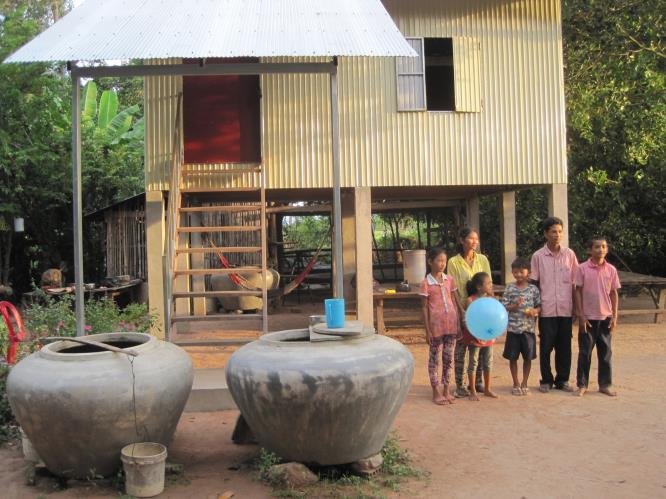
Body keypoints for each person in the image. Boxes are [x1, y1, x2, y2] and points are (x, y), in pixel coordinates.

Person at [530, 217, 579, 393]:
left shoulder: (570, 255)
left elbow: (575, 283)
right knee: (546, 346)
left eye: (559, 231)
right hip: (546, 309)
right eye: (553, 231)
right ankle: (546, 380)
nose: (557, 235)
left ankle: (563, 380)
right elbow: (534, 284)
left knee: (564, 347)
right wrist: (536, 307)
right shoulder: (538, 256)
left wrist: (577, 308)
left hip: (566, 309)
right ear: (545, 234)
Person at [447, 227, 492, 398]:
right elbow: (453, 289)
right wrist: (461, 311)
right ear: (462, 240)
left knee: (480, 346)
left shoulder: (482, 260)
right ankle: (460, 385)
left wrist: (489, 308)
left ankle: (478, 382)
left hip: (481, 310)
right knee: (462, 348)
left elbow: (489, 285)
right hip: (463, 307)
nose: (474, 242)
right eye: (471, 239)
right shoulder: (453, 262)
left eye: (476, 239)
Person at [573, 237, 620, 397]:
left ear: (607, 250)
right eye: (597, 247)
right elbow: (577, 291)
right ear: (589, 250)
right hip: (588, 318)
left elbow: (613, 293)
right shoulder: (582, 268)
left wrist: (614, 316)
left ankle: (604, 385)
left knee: (605, 353)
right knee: (585, 353)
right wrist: (581, 315)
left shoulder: (611, 270)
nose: (601, 250)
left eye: (604, 247)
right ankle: (582, 385)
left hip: (605, 317)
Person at [419, 247, 465, 405]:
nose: (442, 264)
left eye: (444, 261)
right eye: (438, 261)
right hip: (435, 328)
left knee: (449, 358)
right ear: (430, 261)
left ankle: (446, 389)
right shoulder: (425, 283)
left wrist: (460, 316)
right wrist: (427, 330)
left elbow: (454, 299)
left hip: (451, 325)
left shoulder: (449, 280)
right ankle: (436, 391)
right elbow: (424, 307)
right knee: (434, 360)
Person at [501, 258, 541, 396]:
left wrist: (535, 312)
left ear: (528, 273)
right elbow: (504, 306)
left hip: (528, 330)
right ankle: (516, 383)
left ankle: (525, 383)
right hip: (513, 330)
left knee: (528, 358)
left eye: (521, 272)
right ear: (512, 272)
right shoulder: (510, 288)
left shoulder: (533, 289)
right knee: (513, 358)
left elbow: (539, 306)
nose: (518, 274)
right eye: (515, 272)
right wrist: (515, 306)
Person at [462, 272, 499, 400]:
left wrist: (492, 335)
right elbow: (468, 321)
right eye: (488, 283)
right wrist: (477, 336)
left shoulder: (491, 300)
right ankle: (472, 391)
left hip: (488, 338)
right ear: (479, 286)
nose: (491, 285)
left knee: (488, 363)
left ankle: (487, 389)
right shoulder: (470, 300)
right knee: (473, 364)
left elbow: (494, 319)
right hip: (475, 338)